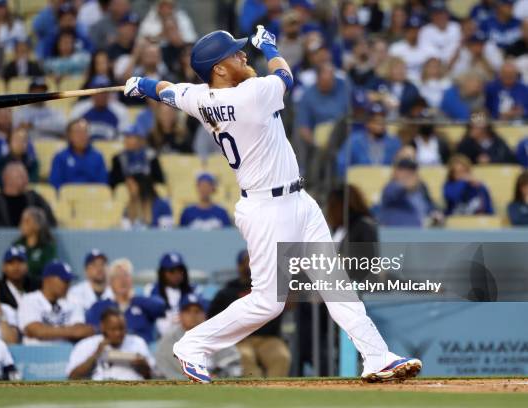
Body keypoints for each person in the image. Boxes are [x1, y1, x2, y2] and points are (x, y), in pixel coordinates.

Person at [123, 27, 421, 383]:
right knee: (268, 302)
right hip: (268, 208)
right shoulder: (250, 94)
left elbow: (169, 92)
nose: (244, 56)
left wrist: (143, 84)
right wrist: (270, 47)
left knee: (335, 284)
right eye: (235, 54)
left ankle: (376, 356)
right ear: (218, 69)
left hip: (296, 199)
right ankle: (193, 345)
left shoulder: (200, 97)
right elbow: (284, 75)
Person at [208, 250, 289, 378]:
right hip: (239, 340)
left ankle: (275, 391)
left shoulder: (269, 288)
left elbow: (285, 307)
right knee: (244, 357)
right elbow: (213, 317)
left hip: (267, 338)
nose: (250, 265)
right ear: (239, 266)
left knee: (281, 356)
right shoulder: (227, 292)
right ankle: (258, 392)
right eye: (247, 261)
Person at [156, 294, 242, 380]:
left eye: (197, 311)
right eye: (187, 311)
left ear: (205, 314)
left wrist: (219, 375)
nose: (192, 315)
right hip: (180, 386)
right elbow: (166, 368)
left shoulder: (217, 333)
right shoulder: (170, 337)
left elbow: (232, 361)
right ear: (180, 315)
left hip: (217, 384)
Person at [86, 258, 166, 344]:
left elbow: (160, 306)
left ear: (131, 279)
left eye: (126, 275)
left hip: (141, 351)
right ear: (110, 282)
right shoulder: (99, 307)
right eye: (117, 276)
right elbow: (92, 331)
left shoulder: (142, 303)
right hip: (111, 351)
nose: (122, 280)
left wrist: (132, 299)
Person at [18, 261, 94, 344]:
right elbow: (36, 331)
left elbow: (81, 331)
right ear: (48, 280)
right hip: (35, 354)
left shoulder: (73, 301)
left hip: (65, 354)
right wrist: (71, 331)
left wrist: (47, 330)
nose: (68, 285)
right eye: (64, 280)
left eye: (68, 281)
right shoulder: (30, 300)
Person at [66, 308, 154, 380]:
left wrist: (142, 364)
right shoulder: (87, 344)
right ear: (103, 327)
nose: (118, 333)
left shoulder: (137, 342)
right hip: (100, 390)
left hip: (131, 388)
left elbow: (149, 375)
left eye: (121, 329)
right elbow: (73, 376)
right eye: (113, 329)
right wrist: (96, 355)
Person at [0, 162, 56, 227]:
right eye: (21, 177)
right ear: (7, 179)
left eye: (26, 176)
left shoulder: (36, 199)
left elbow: (50, 223)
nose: (26, 180)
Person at [336, 104, 402, 177]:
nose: (380, 123)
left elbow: (401, 166)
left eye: (382, 119)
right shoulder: (354, 141)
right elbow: (342, 163)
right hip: (359, 182)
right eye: (375, 120)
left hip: (386, 183)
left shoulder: (394, 142)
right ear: (367, 123)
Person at [144, 252, 196, 337]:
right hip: (162, 339)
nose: (177, 275)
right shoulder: (151, 290)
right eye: (172, 271)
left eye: (180, 270)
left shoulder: (193, 290)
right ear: (162, 273)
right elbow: (160, 326)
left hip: (189, 337)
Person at [379, 158, 442, 227]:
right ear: (396, 172)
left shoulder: (420, 190)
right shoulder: (390, 187)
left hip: (420, 232)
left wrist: (436, 213)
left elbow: (430, 207)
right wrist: (405, 186)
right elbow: (393, 193)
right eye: (404, 170)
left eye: (412, 171)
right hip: (397, 233)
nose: (409, 174)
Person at [49, 119, 108, 189]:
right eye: (78, 132)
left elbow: (103, 184)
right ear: (69, 135)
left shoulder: (98, 157)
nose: (82, 136)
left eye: (85, 132)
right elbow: (55, 184)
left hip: (93, 197)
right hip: (67, 198)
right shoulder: (60, 157)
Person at [69, 76, 130, 140]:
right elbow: (72, 134)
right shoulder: (79, 109)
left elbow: (123, 136)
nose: (101, 94)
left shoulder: (120, 110)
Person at [388, 15, 437, 82]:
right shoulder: (396, 49)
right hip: (403, 85)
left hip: (425, 85)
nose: (415, 33)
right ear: (405, 31)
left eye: (417, 30)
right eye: (411, 30)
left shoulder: (430, 49)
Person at [13, 206, 57, 280]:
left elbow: (49, 269)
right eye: (21, 221)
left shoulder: (48, 246)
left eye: (26, 221)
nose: (21, 225)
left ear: (38, 225)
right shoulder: (17, 244)